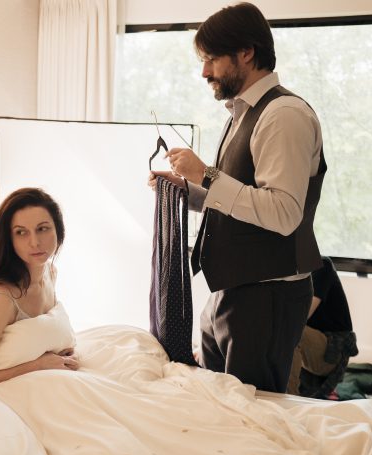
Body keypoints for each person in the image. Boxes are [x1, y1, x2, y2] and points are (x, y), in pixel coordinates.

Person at [149, 2, 327, 392]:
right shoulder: (241, 114)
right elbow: (236, 200)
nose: (204, 72)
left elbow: (283, 213)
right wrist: (186, 191)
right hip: (231, 291)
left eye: (212, 59)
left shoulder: (284, 115)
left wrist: (206, 175)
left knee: (251, 414)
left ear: (246, 52)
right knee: (223, 407)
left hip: (266, 297)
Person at [0, 188, 78, 395]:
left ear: (58, 230)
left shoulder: (49, 271)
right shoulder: (0, 297)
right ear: (8, 239)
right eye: (21, 232)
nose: (35, 242)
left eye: (43, 228)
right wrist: (38, 365)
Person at [287, 256, 358, 398]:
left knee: (290, 331)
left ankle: (289, 398)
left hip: (333, 352)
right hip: (315, 348)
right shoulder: (287, 272)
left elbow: (303, 315)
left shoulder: (321, 265)